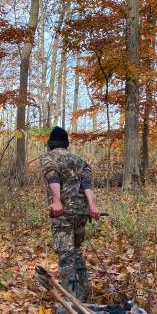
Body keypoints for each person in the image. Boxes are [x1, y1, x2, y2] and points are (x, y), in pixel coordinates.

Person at [40, 126, 100, 299]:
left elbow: (53, 176)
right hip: (81, 212)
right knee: (76, 250)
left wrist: (57, 201)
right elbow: (87, 184)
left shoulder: (48, 158)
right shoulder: (80, 161)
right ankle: (84, 292)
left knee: (66, 255)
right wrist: (92, 206)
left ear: (51, 144)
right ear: (66, 143)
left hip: (63, 213)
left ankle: (71, 302)